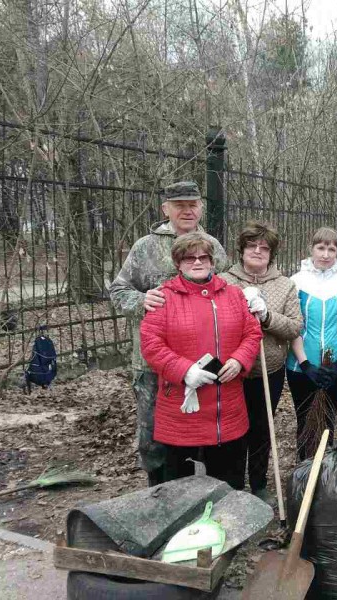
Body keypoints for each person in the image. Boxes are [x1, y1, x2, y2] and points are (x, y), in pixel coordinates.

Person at [109, 181, 228, 487]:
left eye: (193, 204)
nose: (187, 211)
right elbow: (119, 289)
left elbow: (227, 291)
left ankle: (201, 489)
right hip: (153, 363)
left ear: (201, 207)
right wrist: (141, 300)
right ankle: (159, 492)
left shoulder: (213, 247)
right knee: (153, 434)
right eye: (179, 206)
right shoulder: (145, 247)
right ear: (166, 210)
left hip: (204, 360)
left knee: (203, 429)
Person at [139, 232, 261, 489]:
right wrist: (184, 370)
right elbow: (151, 344)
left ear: (212, 261)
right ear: (178, 263)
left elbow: (252, 333)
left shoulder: (233, 295)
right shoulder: (163, 298)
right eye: (189, 258)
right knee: (179, 488)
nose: (197, 262)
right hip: (182, 410)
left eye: (203, 257)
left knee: (228, 484)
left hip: (226, 408)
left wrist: (239, 360)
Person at [219, 221, 303, 502]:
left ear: (272, 254)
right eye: (252, 246)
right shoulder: (224, 281)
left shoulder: (285, 285)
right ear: (241, 250)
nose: (258, 251)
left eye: (264, 248)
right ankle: (231, 487)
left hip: (270, 369)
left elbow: (294, 327)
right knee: (232, 430)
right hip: (232, 371)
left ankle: (258, 483)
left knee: (261, 427)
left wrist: (266, 316)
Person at [285, 227, 337, 459]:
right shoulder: (296, 282)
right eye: (321, 248)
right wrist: (306, 364)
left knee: (328, 420)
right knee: (304, 418)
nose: (326, 254)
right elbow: (293, 325)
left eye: (331, 249)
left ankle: (325, 470)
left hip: (336, 367)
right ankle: (304, 469)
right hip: (301, 368)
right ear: (311, 249)